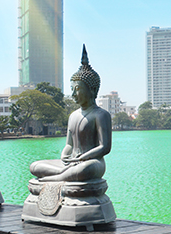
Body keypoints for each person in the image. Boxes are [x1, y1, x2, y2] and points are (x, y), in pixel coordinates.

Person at [29, 45, 112, 182]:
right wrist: (65, 155)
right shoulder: (73, 115)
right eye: (72, 89)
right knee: (35, 166)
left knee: (85, 169)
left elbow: (104, 147)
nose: (73, 94)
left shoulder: (101, 115)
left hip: (91, 162)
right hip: (72, 162)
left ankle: (60, 177)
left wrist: (82, 158)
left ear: (92, 89)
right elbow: (69, 144)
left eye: (78, 89)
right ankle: (66, 173)